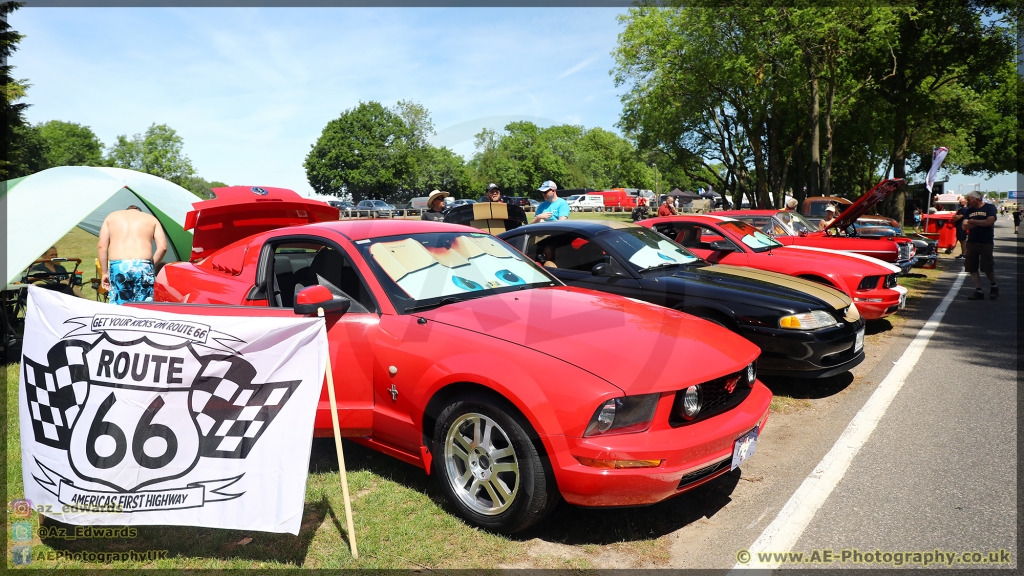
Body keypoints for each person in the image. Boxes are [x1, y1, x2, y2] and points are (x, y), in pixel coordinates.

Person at [98, 205, 167, 305]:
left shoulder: (111, 217)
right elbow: (163, 247)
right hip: (143, 266)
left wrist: (104, 273)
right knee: (144, 307)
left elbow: (102, 246)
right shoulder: (151, 219)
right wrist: (150, 266)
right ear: (140, 212)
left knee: (120, 307)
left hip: (119, 266)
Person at [960, 191, 998, 300]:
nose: (967, 202)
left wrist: (973, 221)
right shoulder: (969, 211)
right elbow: (964, 226)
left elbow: (989, 222)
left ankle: (994, 286)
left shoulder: (989, 208)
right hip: (972, 242)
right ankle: (978, 290)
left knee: (987, 267)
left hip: (986, 242)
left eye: (969, 199)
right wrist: (981, 222)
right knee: (971, 267)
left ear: (976, 199)